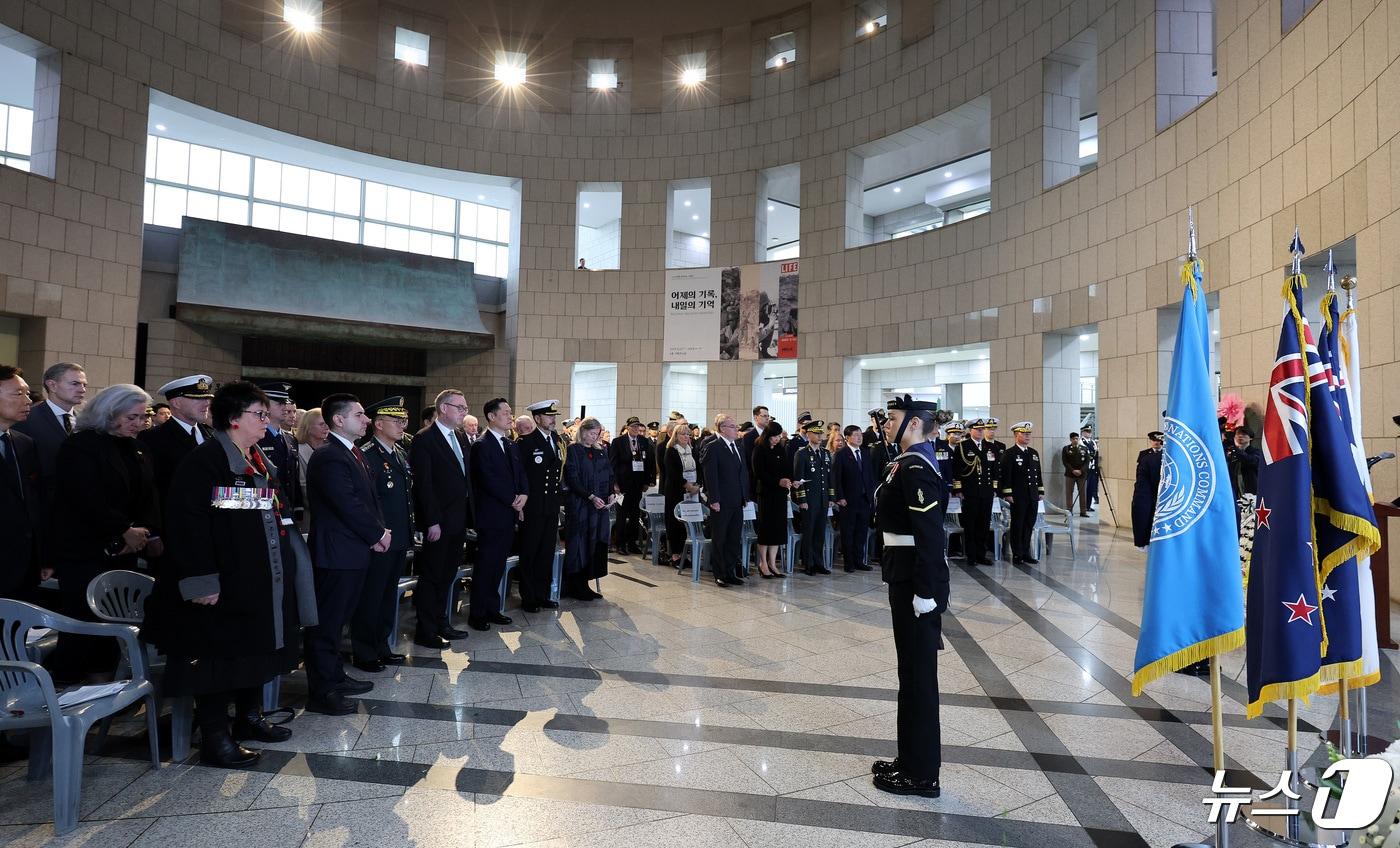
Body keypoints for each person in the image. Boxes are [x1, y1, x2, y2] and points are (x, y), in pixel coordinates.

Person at [144, 381, 309, 768]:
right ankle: (216, 736)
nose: (266, 423)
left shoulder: (252, 458)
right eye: (260, 415)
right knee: (218, 660)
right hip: (221, 583)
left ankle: (249, 718)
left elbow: (247, 508)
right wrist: (202, 580)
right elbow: (191, 525)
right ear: (234, 420)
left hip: (254, 579)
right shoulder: (205, 462)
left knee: (253, 651)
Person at [48, 384, 161, 680]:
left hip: (124, 548)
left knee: (114, 622)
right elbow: (83, 496)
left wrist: (141, 531)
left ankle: (106, 683)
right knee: (84, 620)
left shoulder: (138, 446)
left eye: (142, 417)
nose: (139, 424)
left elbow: (149, 494)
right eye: (131, 417)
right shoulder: (82, 445)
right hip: (85, 550)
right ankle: (67, 685)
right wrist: (123, 530)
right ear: (109, 414)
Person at [870, 394, 947, 798]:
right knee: (909, 675)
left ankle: (922, 775)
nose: (886, 422)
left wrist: (925, 591)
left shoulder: (916, 466)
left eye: (894, 418)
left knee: (918, 679)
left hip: (916, 583)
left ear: (914, 424)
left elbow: (930, 535)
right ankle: (910, 759)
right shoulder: (905, 461)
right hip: (903, 575)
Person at [303, 393, 388, 715]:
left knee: (338, 621)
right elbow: (347, 503)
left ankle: (335, 676)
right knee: (326, 624)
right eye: (360, 415)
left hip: (353, 550)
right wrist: (377, 533)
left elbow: (367, 500)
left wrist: (378, 532)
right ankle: (322, 691)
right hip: (337, 552)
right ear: (338, 420)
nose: (367, 420)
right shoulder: (329, 456)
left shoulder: (351, 453)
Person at [350, 397, 414, 673]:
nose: (402, 426)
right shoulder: (367, 454)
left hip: (398, 537)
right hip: (379, 539)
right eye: (395, 421)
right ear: (378, 424)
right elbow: (366, 501)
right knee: (371, 596)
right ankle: (364, 651)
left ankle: (382, 645)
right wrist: (377, 534)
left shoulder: (398, 451)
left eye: (404, 421)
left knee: (388, 595)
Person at [408, 390, 473, 649]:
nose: (464, 411)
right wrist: (431, 521)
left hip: (459, 519)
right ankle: (425, 630)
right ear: (444, 408)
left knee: (447, 575)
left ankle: (441, 621)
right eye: (460, 407)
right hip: (439, 521)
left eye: (465, 407)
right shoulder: (425, 439)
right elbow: (423, 485)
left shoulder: (459, 436)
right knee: (432, 576)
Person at [468, 397, 526, 630]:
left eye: (511, 411)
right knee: (486, 565)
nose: (510, 415)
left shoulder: (510, 444)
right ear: (491, 416)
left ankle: (493, 608)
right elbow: (487, 479)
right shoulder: (482, 445)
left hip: (509, 512)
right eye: (506, 412)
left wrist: (524, 494)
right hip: (492, 514)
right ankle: (478, 612)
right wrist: (513, 500)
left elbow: (520, 473)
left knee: (499, 564)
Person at [15, 361, 86, 509]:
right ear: (52, 385)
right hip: (42, 507)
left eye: (84, 385)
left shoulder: (86, 424)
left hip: (79, 508)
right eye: (75, 384)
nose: (82, 389)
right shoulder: (26, 420)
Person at [516, 400, 566, 613]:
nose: (553, 419)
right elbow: (520, 476)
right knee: (530, 551)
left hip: (551, 505)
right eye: (548, 416)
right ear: (537, 419)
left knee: (546, 551)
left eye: (554, 416)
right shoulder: (526, 442)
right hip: (533, 505)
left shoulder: (557, 439)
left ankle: (543, 594)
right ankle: (529, 597)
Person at [0, 365, 44, 600]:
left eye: (27, 393)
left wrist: (42, 556)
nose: (28, 400)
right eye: (18, 394)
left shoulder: (25, 443)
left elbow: (33, 502)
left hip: (23, 567)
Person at [138, 374, 215, 503]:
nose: (207, 403)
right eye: (198, 399)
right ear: (176, 403)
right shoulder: (153, 438)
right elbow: (149, 487)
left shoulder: (212, 434)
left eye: (207, 398)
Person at [562, 418, 615, 599]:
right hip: (581, 505)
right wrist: (590, 496)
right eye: (592, 433)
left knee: (595, 543)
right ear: (583, 431)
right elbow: (572, 478)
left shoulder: (601, 451)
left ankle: (587, 581)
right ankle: (576, 584)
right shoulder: (573, 450)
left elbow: (609, 474)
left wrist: (610, 493)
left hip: (599, 507)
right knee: (580, 544)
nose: (594, 437)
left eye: (597, 434)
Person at [701, 414, 750, 587]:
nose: (736, 429)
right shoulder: (713, 446)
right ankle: (719, 573)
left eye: (736, 426)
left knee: (733, 538)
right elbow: (710, 475)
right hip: (720, 501)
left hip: (737, 500)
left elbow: (742, 472)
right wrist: (714, 499)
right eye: (732, 426)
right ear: (722, 428)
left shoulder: (738, 445)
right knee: (720, 538)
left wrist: (745, 496)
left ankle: (730, 572)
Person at [950, 419, 997, 565]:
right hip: (970, 492)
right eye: (978, 429)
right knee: (971, 525)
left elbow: (995, 469)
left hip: (986, 491)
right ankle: (971, 555)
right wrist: (958, 489)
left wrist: (994, 488)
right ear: (971, 431)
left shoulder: (990, 447)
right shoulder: (963, 446)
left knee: (983, 524)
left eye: (982, 429)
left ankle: (981, 554)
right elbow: (956, 469)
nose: (981, 432)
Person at [257, 382, 304, 522]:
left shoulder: (290, 439)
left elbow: (293, 476)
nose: (285, 407)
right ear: (264, 406)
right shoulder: (256, 438)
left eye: (286, 402)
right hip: (266, 511)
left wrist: (298, 507)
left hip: (288, 510)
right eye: (279, 403)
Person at [999, 422, 1044, 564]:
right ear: (1016, 435)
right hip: (1018, 496)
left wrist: (1040, 490)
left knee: (1029, 524)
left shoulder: (1033, 453)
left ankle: (1026, 552)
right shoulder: (1010, 453)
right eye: (1024, 434)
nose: (1027, 436)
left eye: (1029, 433)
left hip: (1032, 495)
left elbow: (1038, 474)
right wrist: (1007, 493)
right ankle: (1017, 553)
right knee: (1018, 524)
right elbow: (1006, 476)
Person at [609, 416, 656, 554]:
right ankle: (620, 544)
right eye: (633, 427)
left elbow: (649, 463)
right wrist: (614, 484)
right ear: (627, 427)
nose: (636, 429)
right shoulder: (618, 442)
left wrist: (647, 481)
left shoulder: (643, 441)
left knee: (636, 515)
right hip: (622, 485)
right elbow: (612, 464)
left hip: (637, 484)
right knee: (622, 515)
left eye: (638, 427)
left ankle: (632, 543)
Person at [750, 420, 790, 578]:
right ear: (767, 435)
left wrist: (789, 479)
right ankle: (763, 563)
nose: (777, 439)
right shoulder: (759, 449)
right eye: (774, 436)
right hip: (766, 494)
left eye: (779, 436)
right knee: (766, 529)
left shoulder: (781, 449)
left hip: (780, 494)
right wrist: (777, 481)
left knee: (778, 529)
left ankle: (773, 563)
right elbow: (758, 473)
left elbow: (787, 468)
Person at [793, 419, 834, 575]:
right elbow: (798, 478)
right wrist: (802, 500)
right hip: (809, 500)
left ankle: (818, 563)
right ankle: (808, 564)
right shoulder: (802, 454)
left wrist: (831, 497)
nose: (819, 436)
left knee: (819, 532)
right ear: (808, 434)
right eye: (816, 433)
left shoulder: (825, 453)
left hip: (823, 499)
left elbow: (829, 477)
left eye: (820, 433)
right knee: (809, 532)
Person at [834, 424, 875, 573]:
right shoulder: (841, 454)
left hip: (864, 499)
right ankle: (848, 562)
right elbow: (836, 478)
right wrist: (840, 496)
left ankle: (859, 561)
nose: (859, 437)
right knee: (848, 531)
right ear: (847, 437)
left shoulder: (865, 453)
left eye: (860, 435)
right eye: (856, 435)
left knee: (861, 531)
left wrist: (871, 495)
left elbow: (870, 476)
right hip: (848, 500)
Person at [661, 424, 702, 569]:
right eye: (682, 434)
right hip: (676, 491)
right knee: (675, 523)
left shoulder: (692, 450)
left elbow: (699, 468)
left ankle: (686, 554)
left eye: (688, 434)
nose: (686, 437)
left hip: (691, 492)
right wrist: (687, 485)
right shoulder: (671, 451)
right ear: (676, 436)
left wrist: (697, 485)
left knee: (688, 522)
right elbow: (673, 473)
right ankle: (675, 555)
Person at [1132, 431, 1165, 549]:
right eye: (1154, 440)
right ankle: (1144, 541)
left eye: (1159, 440)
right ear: (1150, 441)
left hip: (1161, 490)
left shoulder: (1167, 454)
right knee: (1144, 515)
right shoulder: (1144, 454)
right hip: (1147, 490)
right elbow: (1141, 475)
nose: (1156, 442)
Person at [1225, 426, 1261, 503]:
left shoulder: (1256, 452)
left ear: (1250, 438)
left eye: (1244, 434)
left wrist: (1236, 448)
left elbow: (1250, 460)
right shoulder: (1231, 454)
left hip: (1252, 493)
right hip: (1235, 492)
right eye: (1237, 434)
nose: (1240, 436)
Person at [1060, 431, 1090, 516]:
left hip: (1082, 474)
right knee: (1069, 493)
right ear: (1070, 439)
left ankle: (1083, 511)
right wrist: (1073, 470)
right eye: (1073, 439)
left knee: (1083, 493)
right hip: (1070, 474)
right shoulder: (1066, 449)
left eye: (1077, 438)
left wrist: (1081, 471)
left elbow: (1087, 462)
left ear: (1079, 439)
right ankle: (1069, 511)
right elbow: (1065, 462)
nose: (1075, 440)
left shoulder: (1084, 448)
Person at [1080, 426, 1100, 510]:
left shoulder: (1092, 442)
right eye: (1087, 432)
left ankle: (1088, 506)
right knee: (1085, 487)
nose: (1089, 433)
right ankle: (1083, 507)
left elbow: (1095, 451)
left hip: (1092, 467)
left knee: (1091, 487)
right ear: (1083, 432)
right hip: (1085, 467)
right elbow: (1085, 452)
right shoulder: (1081, 441)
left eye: (1090, 432)